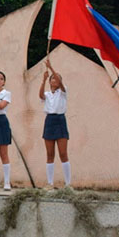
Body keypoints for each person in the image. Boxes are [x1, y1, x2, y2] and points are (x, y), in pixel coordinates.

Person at [39, 60, 71, 189]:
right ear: (50, 81)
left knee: (63, 153)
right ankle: (50, 183)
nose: (55, 80)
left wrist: (51, 68)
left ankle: (68, 183)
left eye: (57, 78)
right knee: (50, 154)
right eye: (53, 78)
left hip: (60, 120)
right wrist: (43, 80)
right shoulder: (47, 94)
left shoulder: (63, 92)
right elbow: (40, 95)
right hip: (49, 121)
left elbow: (62, 84)